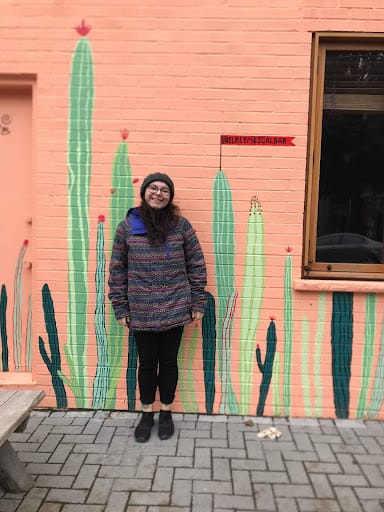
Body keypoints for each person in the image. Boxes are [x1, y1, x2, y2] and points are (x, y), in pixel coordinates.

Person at [108, 172, 207, 442]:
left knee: (169, 362)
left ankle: (165, 412)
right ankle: (146, 413)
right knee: (147, 363)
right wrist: (120, 307)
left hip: (176, 306)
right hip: (140, 309)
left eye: (165, 189)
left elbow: (196, 264)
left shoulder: (181, 226)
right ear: (144, 193)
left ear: (170, 196)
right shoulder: (127, 227)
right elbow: (117, 269)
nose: (159, 193)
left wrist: (198, 301)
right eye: (154, 188)